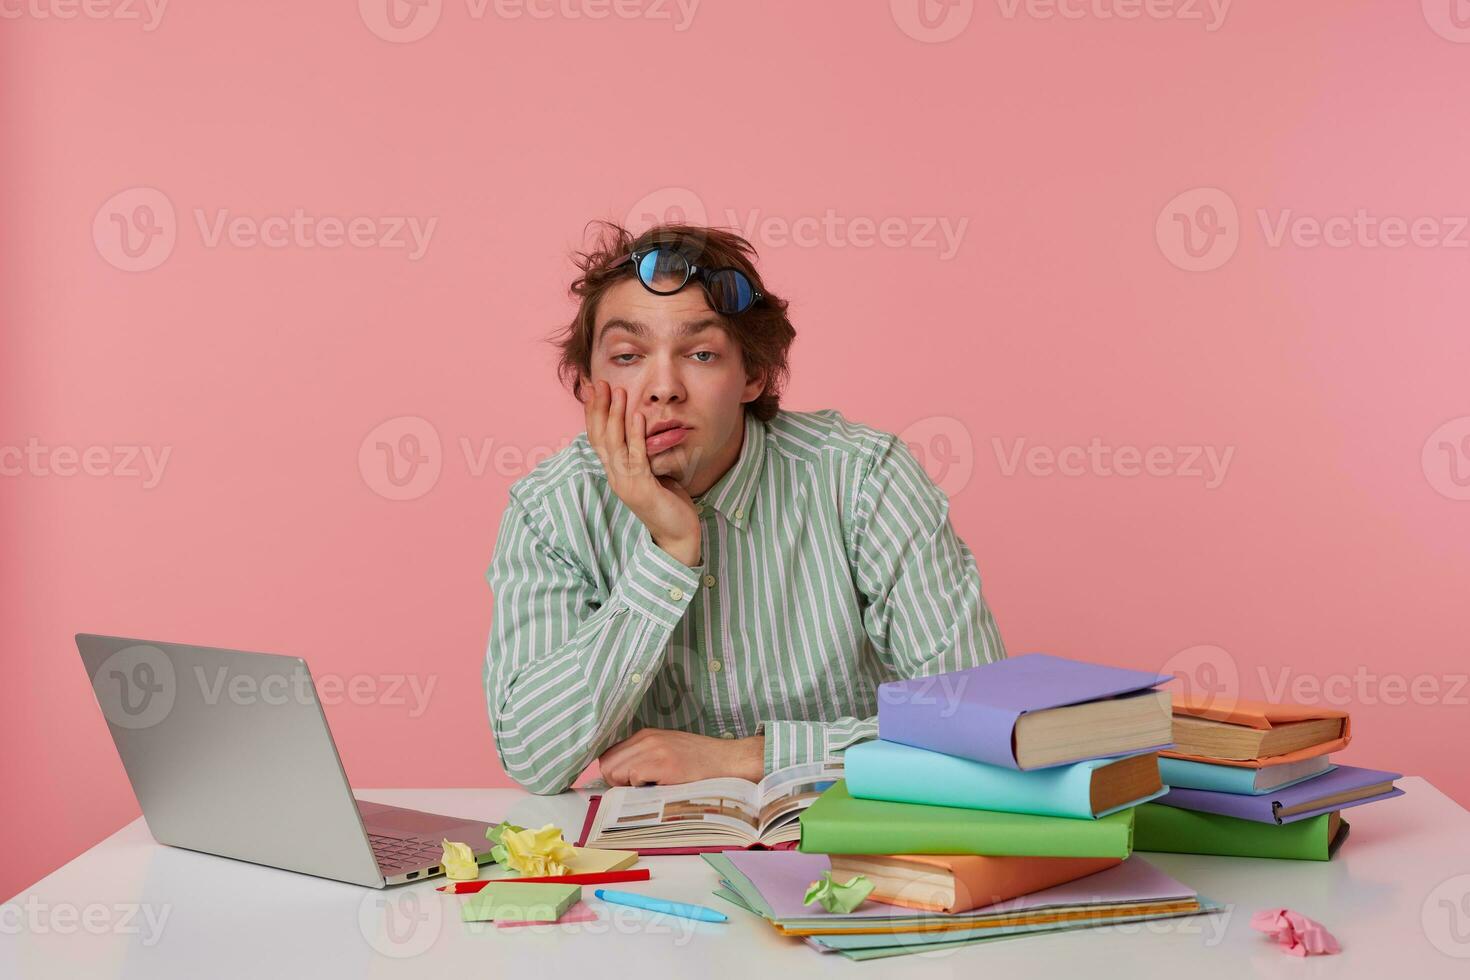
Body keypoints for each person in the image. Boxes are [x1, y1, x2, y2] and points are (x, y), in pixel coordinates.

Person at [482, 221, 1006, 794]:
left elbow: (978, 722)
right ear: (589, 385)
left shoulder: (861, 478)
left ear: (752, 374)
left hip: (843, 847)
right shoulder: (553, 510)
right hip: (652, 863)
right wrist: (668, 556)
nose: (664, 388)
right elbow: (532, 757)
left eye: (702, 353)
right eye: (629, 356)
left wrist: (748, 757)